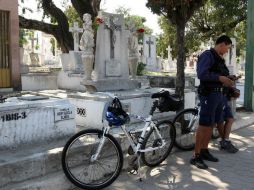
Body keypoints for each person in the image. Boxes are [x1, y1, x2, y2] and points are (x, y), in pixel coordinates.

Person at [190, 35, 234, 169]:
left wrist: (228, 78)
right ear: (222, 44)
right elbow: (202, 74)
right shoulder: (207, 55)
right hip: (208, 95)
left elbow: (218, 74)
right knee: (204, 125)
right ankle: (195, 156)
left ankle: (204, 151)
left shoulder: (218, 58)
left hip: (218, 94)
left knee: (211, 124)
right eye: (227, 47)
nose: (227, 51)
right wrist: (220, 78)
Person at [216, 82, 240, 153]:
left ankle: (225, 140)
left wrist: (231, 80)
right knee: (219, 121)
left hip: (224, 96)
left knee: (230, 119)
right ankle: (224, 141)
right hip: (217, 95)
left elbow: (228, 82)